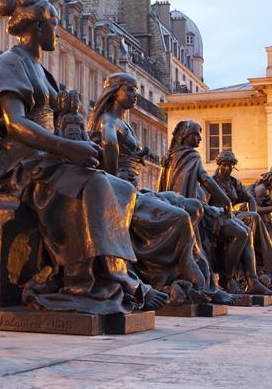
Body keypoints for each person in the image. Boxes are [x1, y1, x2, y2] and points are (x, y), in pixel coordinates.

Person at [0, 0, 168, 314]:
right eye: (54, 25)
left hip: (42, 158)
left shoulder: (41, 71)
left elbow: (53, 127)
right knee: (94, 183)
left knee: (118, 186)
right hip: (16, 163)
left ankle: (116, 275)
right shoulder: (10, 63)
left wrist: (70, 129)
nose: (57, 32)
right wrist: (67, 147)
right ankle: (82, 280)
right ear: (37, 27)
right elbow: (15, 124)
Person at [88, 75, 232, 304]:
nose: (137, 95)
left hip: (134, 188)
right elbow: (108, 152)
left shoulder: (123, 123)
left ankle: (203, 280)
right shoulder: (108, 121)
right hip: (121, 192)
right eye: (131, 89)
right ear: (115, 91)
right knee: (181, 217)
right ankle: (190, 276)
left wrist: (135, 156)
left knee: (194, 207)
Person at [159, 121, 265, 298]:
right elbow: (205, 179)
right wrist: (226, 201)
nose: (200, 138)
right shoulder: (191, 156)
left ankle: (247, 280)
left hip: (182, 206)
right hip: (192, 209)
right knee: (242, 233)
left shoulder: (172, 156)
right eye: (197, 134)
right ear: (186, 136)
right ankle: (227, 278)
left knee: (244, 231)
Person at [213, 150, 272, 292]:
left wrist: (252, 211)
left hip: (233, 217)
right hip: (217, 218)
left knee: (252, 220)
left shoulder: (234, 183)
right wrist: (262, 211)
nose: (227, 169)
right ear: (219, 165)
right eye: (224, 165)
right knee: (253, 219)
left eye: (231, 166)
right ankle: (237, 279)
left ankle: (256, 280)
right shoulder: (212, 182)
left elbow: (249, 198)